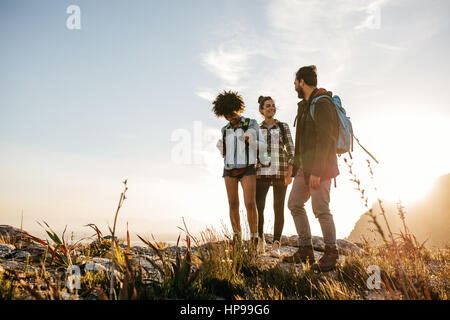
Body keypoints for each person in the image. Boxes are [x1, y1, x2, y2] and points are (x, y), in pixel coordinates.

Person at [283, 65, 340, 272]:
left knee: (321, 210)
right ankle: (305, 249)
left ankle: (331, 253)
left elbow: (327, 139)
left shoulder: (323, 103)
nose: (294, 86)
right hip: (303, 169)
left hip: (321, 168)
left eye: (295, 82)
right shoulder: (303, 105)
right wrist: (294, 167)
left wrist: (317, 171)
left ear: (302, 82)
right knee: (295, 203)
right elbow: (300, 142)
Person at [213, 90, 269, 246]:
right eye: (227, 115)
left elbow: (264, 147)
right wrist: (221, 149)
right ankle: (236, 238)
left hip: (247, 168)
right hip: (229, 168)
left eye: (232, 114)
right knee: (232, 204)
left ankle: (254, 238)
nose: (231, 118)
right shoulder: (225, 129)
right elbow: (226, 153)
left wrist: (252, 142)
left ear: (238, 108)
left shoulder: (251, 123)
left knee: (250, 204)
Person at [255, 96, 295, 257]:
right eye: (267, 106)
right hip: (261, 173)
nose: (271, 108)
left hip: (280, 172)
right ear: (261, 110)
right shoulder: (257, 129)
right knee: (259, 208)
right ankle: (260, 240)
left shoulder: (283, 126)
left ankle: (276, 244)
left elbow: (291, 150)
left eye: (273, 105)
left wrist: (290, 173)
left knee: (278, 208)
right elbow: (254, 151)